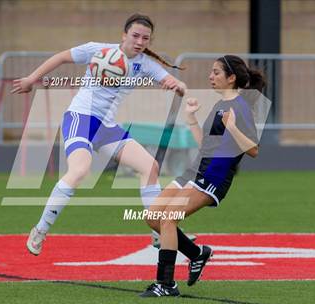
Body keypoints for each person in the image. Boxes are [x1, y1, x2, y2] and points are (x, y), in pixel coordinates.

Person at [11, 13, 187, 255]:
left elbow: (175, 82)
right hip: (80, 119)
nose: (139, 41)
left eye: (145, 38)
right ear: (124, 35)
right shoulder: (98, 50)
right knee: (80, 171)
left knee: (151, 166)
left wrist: (177, 87)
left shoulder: (145, 64)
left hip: (107, 127)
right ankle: (40, 230)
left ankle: (157, 231)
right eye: (135, 35)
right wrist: (32, 79)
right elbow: (62, 57)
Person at [140, 55, 266, 297]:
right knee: (153, 216)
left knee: (167, 219)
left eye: (217, 73)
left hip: (213, 176)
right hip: (196, 169)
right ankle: (198, 254)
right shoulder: (220, 105)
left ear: (231, 78)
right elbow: (206, 145)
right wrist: (191, 120)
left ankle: (166, 284)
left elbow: (253, 150)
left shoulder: (241, 107)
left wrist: (232, 127)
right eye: (211, 72)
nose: (211, 76)